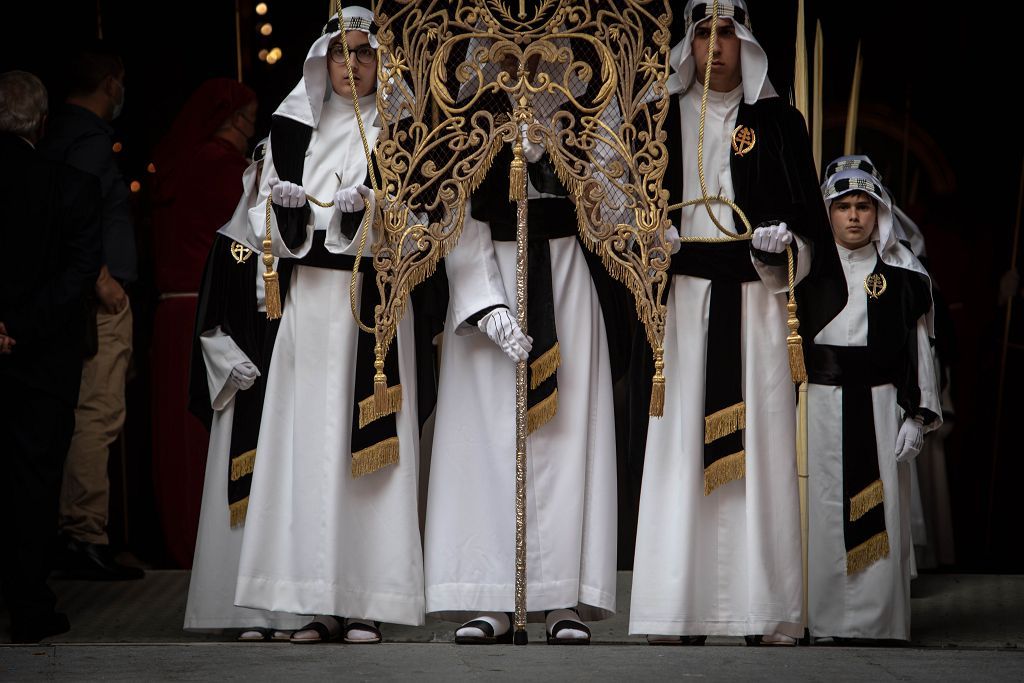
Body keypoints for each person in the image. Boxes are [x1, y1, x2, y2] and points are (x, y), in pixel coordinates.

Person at [628, 0, 845, 645]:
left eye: (726, 33)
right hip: (685, 303)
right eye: (702, 34)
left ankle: (763, 611)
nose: (714, 46)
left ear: (745, 41)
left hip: (758, 302)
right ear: (688, 44)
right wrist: (648, 236)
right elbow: (622, 206)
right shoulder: (657, 119)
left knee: (765, 446)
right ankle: (677, 610)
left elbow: (810, 223)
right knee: (677, 450)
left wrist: (787, 248)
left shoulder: (778, 121)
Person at [234, 5, 427, 644]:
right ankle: (316, 600)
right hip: (311, 307)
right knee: (310, 448)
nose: (352, 66)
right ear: (323, 60)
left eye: (365, 55)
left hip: (372, 310)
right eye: (341, 54)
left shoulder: (405, 133)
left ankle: (366, 597)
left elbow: (423, 226)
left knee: (367, 455)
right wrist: (289, 218)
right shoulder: (293, 128)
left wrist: (370, 214)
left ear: (382, 63)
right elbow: (261, 221)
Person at [422, 41, 620, 644]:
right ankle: (490, 595)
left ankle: (561, 598)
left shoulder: (584, 96)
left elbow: (614, 195)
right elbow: (447, 204)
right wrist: (483, 299)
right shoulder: (466, 100)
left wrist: (559, 153)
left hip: (562, 272)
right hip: (490, 274)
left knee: (564, 435)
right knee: (484, 437)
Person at [802, 164, 940, 641]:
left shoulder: (904, 274)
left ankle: (880, 624)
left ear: (878, 211)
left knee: (883, 508)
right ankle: (821, 622)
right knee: (820, 510)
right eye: (843, 207)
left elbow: (919, 349)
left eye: (863, 206)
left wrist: (918, 415)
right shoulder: (806, 268)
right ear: (829, 213)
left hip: (882, 408)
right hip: (817, 407)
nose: (854, 217)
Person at [183, 138, 306, 640]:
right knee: (246, 492)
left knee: (291, 492)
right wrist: (231, 364)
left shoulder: (304, 243)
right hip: (247, 378)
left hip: (294, 374)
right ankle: (244, 612)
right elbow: (208, 323)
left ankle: (291, 610)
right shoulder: (229, 244)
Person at [0, 70, 102, 641]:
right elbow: (79, 273)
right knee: (35, 483)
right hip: (42, 361)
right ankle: (30, 607)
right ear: (42, 123)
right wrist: (19, 327)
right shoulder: (72, 186)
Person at [39, 42, 141, 580]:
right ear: (110, 82)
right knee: (97, 413)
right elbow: (69, 211)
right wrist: (102, 279)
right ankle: (83, 534)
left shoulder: (67, 134)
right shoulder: (86, 140)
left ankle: (79, 530)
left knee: (88, 411)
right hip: (99, 299)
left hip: (85, 294)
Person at [150, 77, 258, 568]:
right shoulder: (229, 172)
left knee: (175, 432)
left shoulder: (177, 167)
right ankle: (210, 547)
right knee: (208, 431)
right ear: (236, 120)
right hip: (208, 315)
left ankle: (178, 538)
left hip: (169, 313)